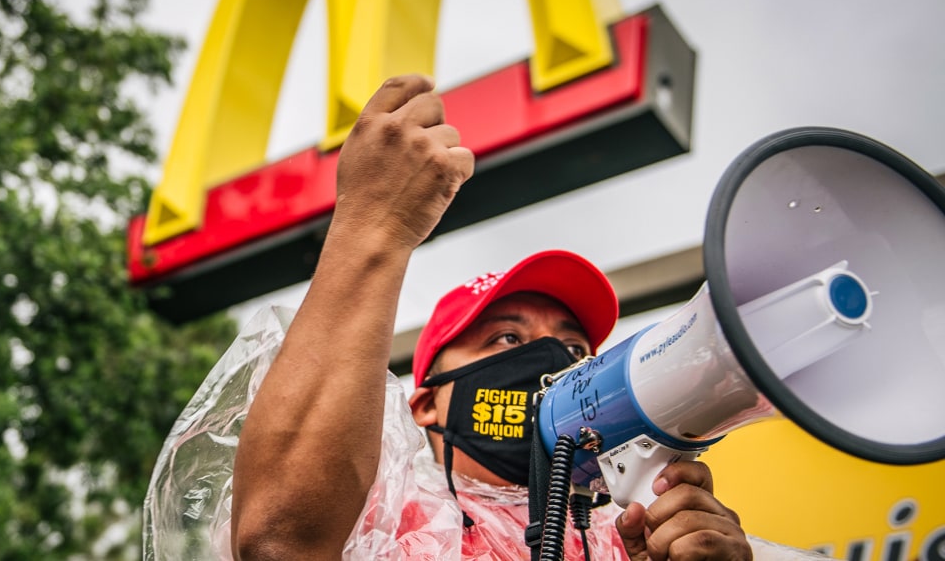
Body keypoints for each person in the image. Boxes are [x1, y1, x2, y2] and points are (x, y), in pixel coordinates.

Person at [229, 75, 754, 560]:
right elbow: (279, 539)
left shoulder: (634, 541)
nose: (555, 367)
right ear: (426, 404)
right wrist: (375, 222)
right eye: (506, 338)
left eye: (575, 352)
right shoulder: (387, 527)